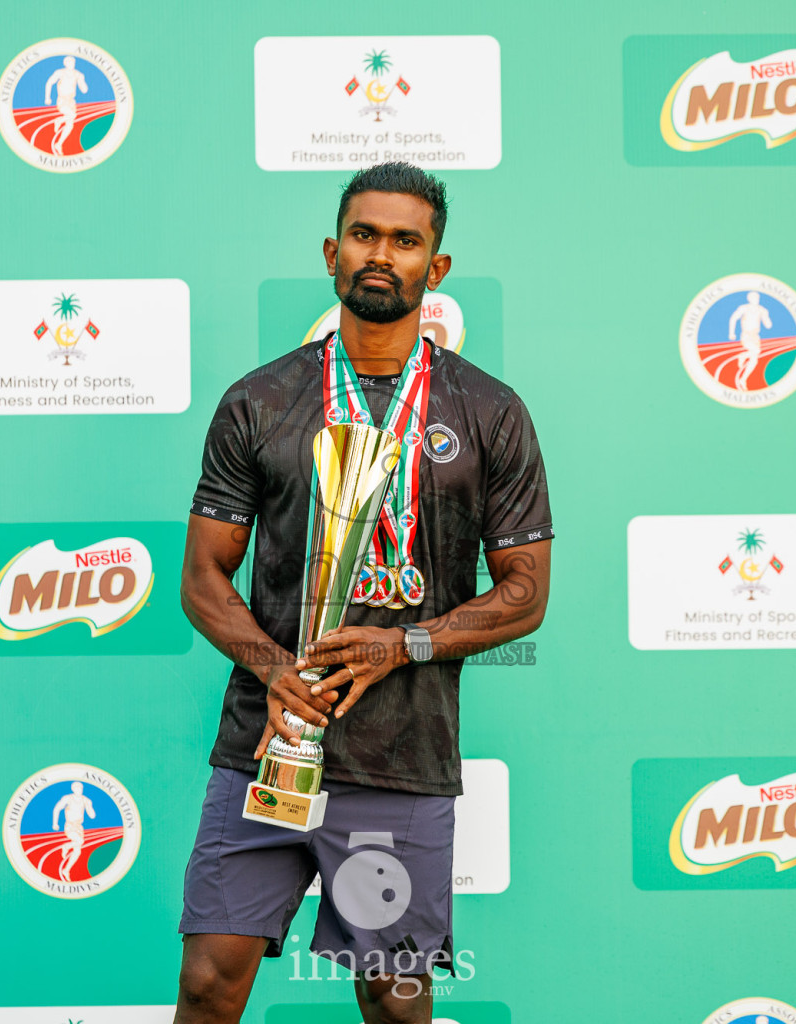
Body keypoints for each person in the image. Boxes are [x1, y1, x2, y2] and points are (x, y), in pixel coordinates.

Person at [175, 162, 554, 1024]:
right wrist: (275, 670)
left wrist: (402, 644)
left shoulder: (489, 411)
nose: (381, 254)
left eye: (405, 240)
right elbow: (202, 578)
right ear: (331, 252)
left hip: (401, 756)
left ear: (436, 267)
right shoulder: (259, 402)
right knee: (208, 987)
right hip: (267, 743)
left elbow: (526, 594)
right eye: (364, 234)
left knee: (394, 1001)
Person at [51, 781, 95, 882]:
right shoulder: (68, 798)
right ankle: (66, 846)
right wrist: (55, 823)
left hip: (79, 827)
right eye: (76, 787)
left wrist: (89, 806)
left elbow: (92, 816)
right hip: (70, 826)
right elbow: (56, 809)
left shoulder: (86, 800)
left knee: (77, 852)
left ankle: (66, 870)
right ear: (73, 789)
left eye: (80, 788)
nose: (78, 789)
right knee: (80, 841)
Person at [727, 291, 771, 390]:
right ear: (749, 299)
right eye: (753, 298)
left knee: (754, 360)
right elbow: (733, 319)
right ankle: (743, 356)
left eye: (757, 298)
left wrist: (766, 316)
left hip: (755, 336)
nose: (755, 300)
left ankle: (743, 379)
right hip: (746, 335)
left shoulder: (762, 310)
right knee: (756, 351)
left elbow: (768, 325)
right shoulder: (744, 308)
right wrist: (731, 333)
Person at [45, 55, 88, 155]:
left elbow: (84, 90)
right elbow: (49, 83)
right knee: (72, 115)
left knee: (70, 125)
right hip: (62, 100)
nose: (71, 64)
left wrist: (82, 80)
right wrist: (47, 97)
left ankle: (59, 144)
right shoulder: (60, 72)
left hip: (71, 101)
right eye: (69, 62)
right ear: (65, 63)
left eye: (72, 62)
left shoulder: (78, 74)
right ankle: (58, 120)